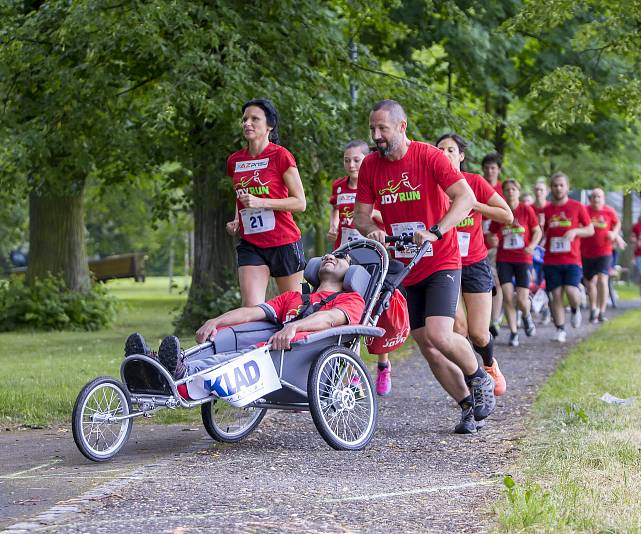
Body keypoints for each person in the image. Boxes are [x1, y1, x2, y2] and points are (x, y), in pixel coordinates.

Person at [354, 99, 495, 434]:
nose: (376, 136)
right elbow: (360, 216)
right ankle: (467, 408)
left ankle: (479, 377)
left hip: (442, 258)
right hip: (406, 265)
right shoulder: (371, 166)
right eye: (373, 129)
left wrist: (436, 230)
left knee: (439, 333)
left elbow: (465, 198)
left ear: (402, 127)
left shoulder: (429, 156)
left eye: (382, 129)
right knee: (426, 344)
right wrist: (371, 230)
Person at [124, 253, 364, 379]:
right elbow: (251, 312)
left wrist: (294, 327)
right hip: (266, 352)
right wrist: (216, 321)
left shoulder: (351, 299)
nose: (329, 258)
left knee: (231, 361)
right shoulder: (294, 298)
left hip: (292, 360)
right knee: (223, 350)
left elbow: (331, 319)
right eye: (325, 257)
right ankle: (152, 364)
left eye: (339, 258)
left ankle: (176, 370)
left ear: (351, 272)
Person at [436, 133, 513, 396]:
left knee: (479, 334)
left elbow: (507, 215)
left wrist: (472, 203)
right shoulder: (431, 185)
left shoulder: (474, 182)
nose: (445, 153)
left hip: (475, 263)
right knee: (457, 327)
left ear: (461, 156)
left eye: (451, 150)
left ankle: (490, 364)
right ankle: (475, 380)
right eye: (440, 149)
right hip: (444, 264)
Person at [226, 98, 307, 306]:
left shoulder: (281, 156)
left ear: (269, 125)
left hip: (283, 242)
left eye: (254, 119)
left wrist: (261, 202)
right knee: (251, 309)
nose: (247, 123)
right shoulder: (235, 161)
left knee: (292, 309)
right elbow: (241, 196)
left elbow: (300, 203)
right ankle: (256, 340)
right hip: (251, 244)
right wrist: (237, 218)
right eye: (244, 119)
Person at [327, 140, 392, 395]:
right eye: (347, 160)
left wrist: (375, 219)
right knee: (349, 310)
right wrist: (334, 226)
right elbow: (335, 207)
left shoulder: (375, 183)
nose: (352, 165)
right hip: (345, 255)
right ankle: (353, 372)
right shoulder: (339, 186)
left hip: (372, 255)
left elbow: (386, 217)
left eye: (357, 160)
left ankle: (383, 365)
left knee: (373, 311)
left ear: (367, 160)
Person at [541, 173, 594, 343]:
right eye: (555, 185)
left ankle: (575, 308)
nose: (558, 188)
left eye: (561, 185)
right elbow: (543, 233)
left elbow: (590, 229)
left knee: (571, 290)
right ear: (551, 188)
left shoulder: (577, 206)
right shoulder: (547, 209)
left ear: (567, 187)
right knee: (555, 294)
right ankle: (560, 329)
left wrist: (575, 231)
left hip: (572, 259)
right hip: (551, 259)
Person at [490, 179, 542, 346]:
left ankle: (526, 316)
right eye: (507, 189)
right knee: (506, 295)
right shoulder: (500, 211)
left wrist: (532, 246)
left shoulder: (526, 210)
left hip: (523, 259)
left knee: (521, 299)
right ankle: (513, 332)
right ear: (503, 193)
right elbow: (491, 233)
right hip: (504, 259)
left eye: (514, 189)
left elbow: (537, 231)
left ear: (518, 192)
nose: (511, 192)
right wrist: (493, 240)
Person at [581, 189, 620, 323]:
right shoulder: (584, 210)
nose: (596, 199)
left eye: (599, 196)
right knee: (590, 283)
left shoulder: (609, 211)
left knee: (603, 279)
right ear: (590, 199)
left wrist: (614, 234)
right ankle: (593, 309)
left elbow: (617, 224)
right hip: (586, 252)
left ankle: (602, 311)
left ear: (603, 199)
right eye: (594, 196)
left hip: (604, 251)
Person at [481, 152, 506, 337]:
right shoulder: (475, 186)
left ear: (499, 170)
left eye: (493, 168)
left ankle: (495, 320)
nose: (490, 171)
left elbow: (511, 217)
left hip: (498, 245)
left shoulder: (504, 190)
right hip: (478, 242)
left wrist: (496, 235)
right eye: (487, 168)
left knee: (496, 282)